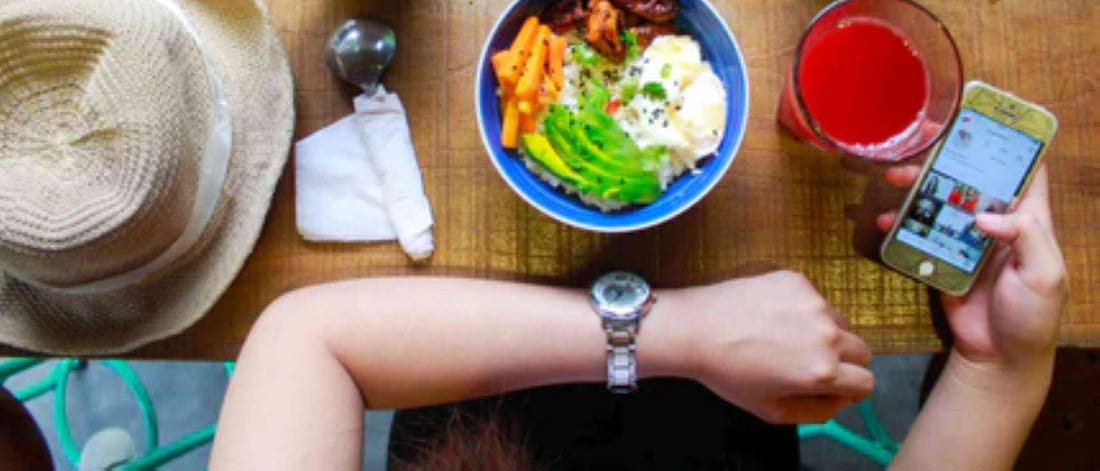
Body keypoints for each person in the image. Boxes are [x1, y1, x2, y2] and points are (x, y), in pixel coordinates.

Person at [210, 166, 1065, 470]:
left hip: (459, 359)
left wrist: (686, 335)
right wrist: (997, 367)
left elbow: (303, 341)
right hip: (739, 415)